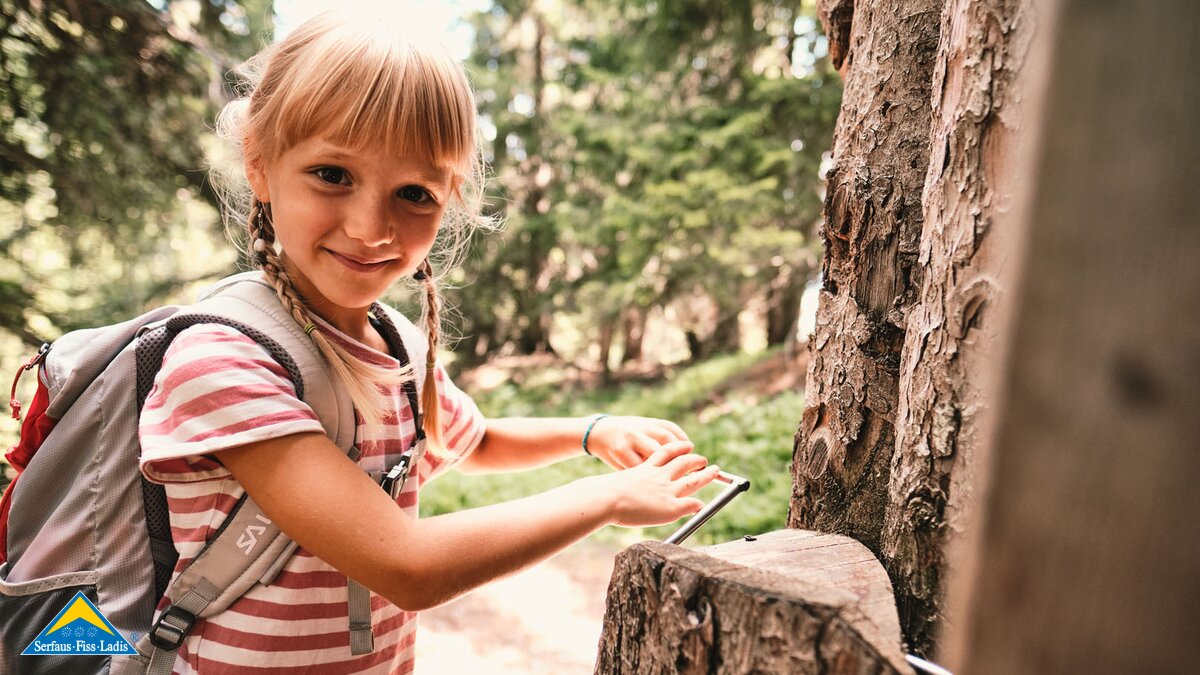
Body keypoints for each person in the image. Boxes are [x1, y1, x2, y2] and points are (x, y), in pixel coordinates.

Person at [137, 10, 719, 674]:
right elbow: (406, 565)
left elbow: (470, 439)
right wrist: (608, 497)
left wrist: (594, 431)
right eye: (333, 174)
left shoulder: (394, 342)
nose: (370, 227)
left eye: (414, 192)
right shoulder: (222, 361)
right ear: (262, 166)